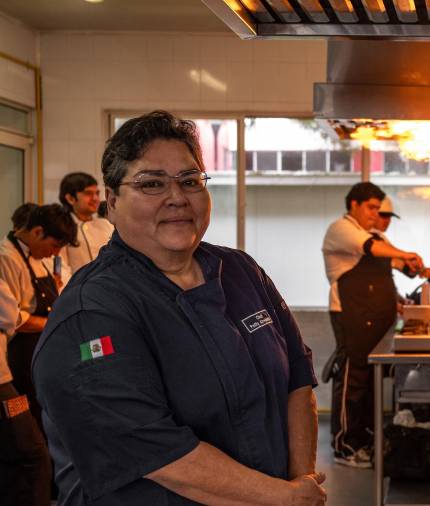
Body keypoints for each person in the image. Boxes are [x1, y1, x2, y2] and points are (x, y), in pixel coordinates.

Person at [32, 111, 326, 505]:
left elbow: (297, 380)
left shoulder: (241, 271)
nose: (177, 197)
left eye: (190, 181)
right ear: (112, 203)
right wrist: (284, 498)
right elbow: (156, 452)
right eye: (151, 183)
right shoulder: (92, 313)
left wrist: (300, 479)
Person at [322, 182, 425, 468]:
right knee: (352, 381)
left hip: (376, 320)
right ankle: (344, 445)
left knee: (368, 383)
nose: (375, 214)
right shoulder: (341, 230)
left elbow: (395, 265)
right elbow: (371, 249)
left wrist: (418, 268)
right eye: (371, 207)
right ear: (354, 204)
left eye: (379, 209)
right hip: (351, 316)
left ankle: (364, 439)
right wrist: (405, 254)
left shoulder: (376, 235)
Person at [1, 202, 76, 506]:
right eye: (54, 244)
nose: (55, 252)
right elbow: (14, 318)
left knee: (39, 438)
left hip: (33, 361)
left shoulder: (36, 257)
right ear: (36, 231)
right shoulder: (7, 258)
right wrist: (54, 323)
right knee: (30, 451)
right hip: (14, 367)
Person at [58, 172, 115, 275]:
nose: (95, 198)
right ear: (70, 198)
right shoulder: (62, 228)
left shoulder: (106, 225)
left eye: (97, 193)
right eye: (88, 193)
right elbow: (60, 268)